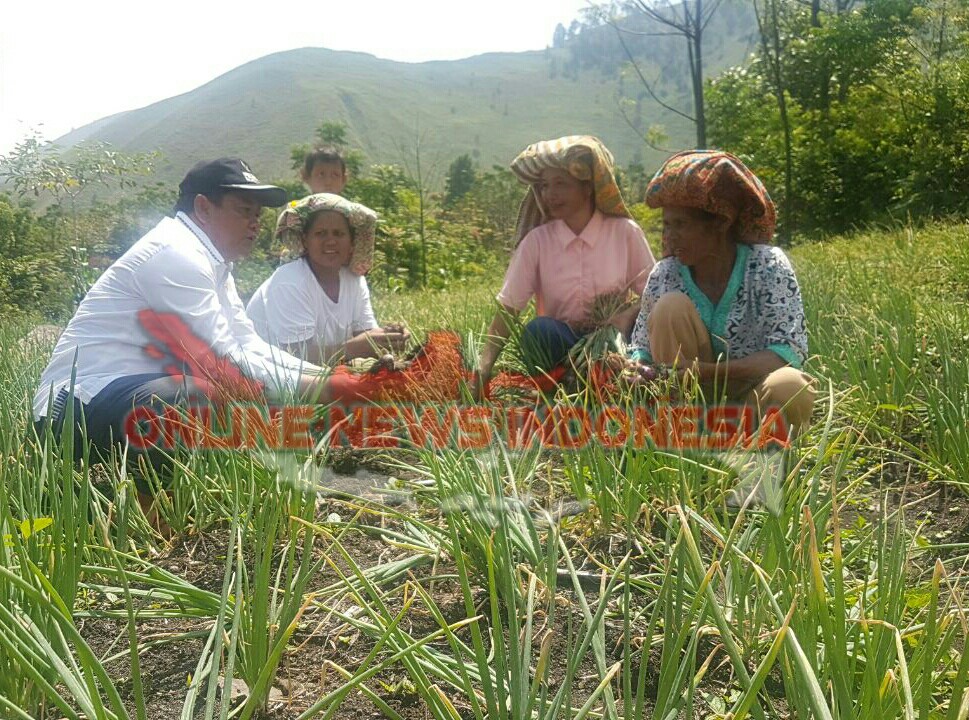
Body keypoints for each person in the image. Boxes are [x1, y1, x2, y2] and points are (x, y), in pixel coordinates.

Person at [31, 158, 395, 526]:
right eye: (243, 211)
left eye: (257, 213)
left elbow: (247, 342)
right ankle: (148, 520)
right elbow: (222, 361)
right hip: (72, 412)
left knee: (265, 400)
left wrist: (327, 378)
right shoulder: (175, 254)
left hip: (128, 398)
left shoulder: (214, 262)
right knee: (194, 394)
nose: (255, 222)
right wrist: (330, 386)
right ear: (203, 207)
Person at [628, 149, 816, 436]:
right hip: (690, 403)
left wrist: (707, 371)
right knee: (669, 308)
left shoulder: (767, 266)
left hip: (752, 397)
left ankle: (757, 453)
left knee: (790, 386)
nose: (669, 237)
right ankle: (682, 433)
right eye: (666, 225)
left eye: (681, 225)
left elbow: (786, 353)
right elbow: (641, 346)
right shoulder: (666, 274)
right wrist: (637, 368)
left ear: (720, 223)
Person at [477, 135, 655, 390]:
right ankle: (581, 380)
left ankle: (607, 376)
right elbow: (508, 310)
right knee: (539, 332)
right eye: (544, 185)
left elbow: (655, 295)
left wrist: (626, 316)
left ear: (588, 187)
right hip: (562, 343)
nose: (550, 194)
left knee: (641, 332)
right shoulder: (537, 242)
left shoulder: (624, 232)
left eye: (561, 183)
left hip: (615, 341)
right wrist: (483, 367)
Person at [246, 193, 409, 365]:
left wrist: (390, 338)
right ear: (305, 241)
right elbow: (296, 357)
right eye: (321, 233)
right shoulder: (290, 281)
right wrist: (353, 348)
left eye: (338, 234)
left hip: (324, 372)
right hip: (270, 377)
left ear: (352, 242)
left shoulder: (354, 280)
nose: (330, 241)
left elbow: (365, 333)